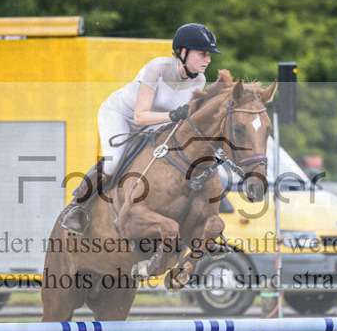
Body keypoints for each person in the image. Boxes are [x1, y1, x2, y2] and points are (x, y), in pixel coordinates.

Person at [58, 23, 219, 234]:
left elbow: (180, 123)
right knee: (114, 160)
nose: (207, 60)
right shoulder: (156, 69)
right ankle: (76, 207)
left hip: (157, 123)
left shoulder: (200, 80)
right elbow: (140, 116)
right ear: (182, 52)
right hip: (121, 115)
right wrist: (172, 116)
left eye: (209, 55)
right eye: (202, 54)